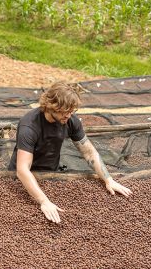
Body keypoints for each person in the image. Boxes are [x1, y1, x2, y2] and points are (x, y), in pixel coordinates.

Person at [9, 82, 131, 224]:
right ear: (50, 106)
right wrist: (44, 201)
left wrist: (108, 180)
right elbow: (22, 170)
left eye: (71, 111)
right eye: (64, 111)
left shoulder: (70, 120)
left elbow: (89, 153)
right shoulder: (29, 126)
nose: (68, 115)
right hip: (21, 180)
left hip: (50, 175)